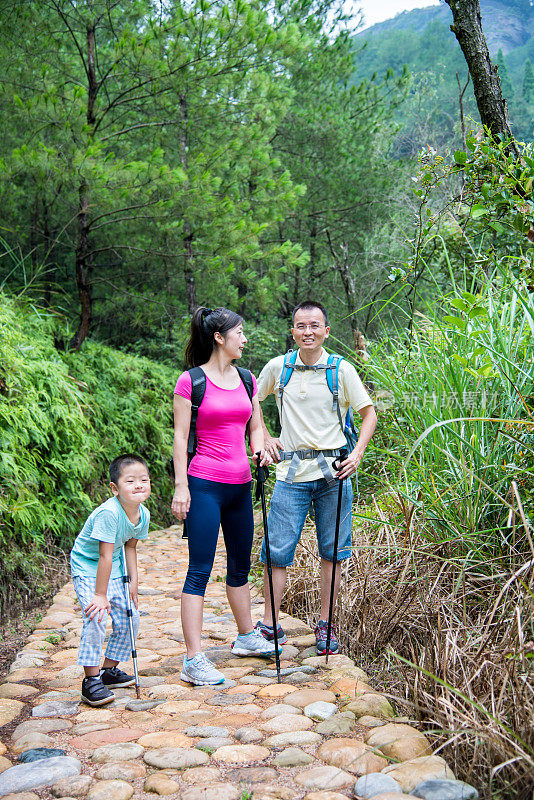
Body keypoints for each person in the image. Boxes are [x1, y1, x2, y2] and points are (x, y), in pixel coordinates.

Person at [255, 300, 377, 655]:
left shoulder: (341, 370)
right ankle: (270, 624)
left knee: (334, 552)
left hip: (335, 473)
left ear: (326, 331)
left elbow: (368, 414)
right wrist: (263, 437)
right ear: (292, 331)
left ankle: (326, 624)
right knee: (276, 551)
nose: (307, 332)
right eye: (300, 326)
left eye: (314, 326)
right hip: (290, 473)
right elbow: (250, 400)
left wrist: (357, 455)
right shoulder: (279, 367)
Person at [171, 306, 278, 686]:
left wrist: (261, 448)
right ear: (220, 338)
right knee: (199, 570)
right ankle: (193, 659)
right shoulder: (191, 381)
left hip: (241, 486)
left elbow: (256, 427)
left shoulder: (247, 379)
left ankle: (247, 637)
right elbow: (180, 439)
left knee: (239, 566)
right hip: (203, 485)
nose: (245, 339)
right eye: (240, 332)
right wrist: (181, 486)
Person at [70, 454, 151, 706]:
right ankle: (90, 680)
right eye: (130, 481)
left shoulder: (142, 514)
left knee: (130, 616)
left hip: (113, 566)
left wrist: (133, 583)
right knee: (97, 615)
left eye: (144, 479)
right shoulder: (108, 513)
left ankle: (109, 671)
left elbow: (130, 548)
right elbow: (104, 554)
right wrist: (100, 595)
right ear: (115, 488)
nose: (138, 485)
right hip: (88, 566)